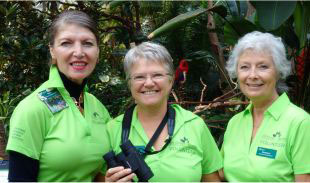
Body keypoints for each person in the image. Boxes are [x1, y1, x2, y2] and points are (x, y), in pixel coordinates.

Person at [6, 10, 111, 182]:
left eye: (87, 43)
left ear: (97, 51)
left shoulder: (98, 108)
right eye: (66, 43)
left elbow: (98, 174)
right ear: (52, 51)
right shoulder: (32, 109)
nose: (78, 52)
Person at [100, 42, 222, 182]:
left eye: (157, 75)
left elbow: (212, 179)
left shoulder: (194, 125)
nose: (149, 83)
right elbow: (100, 177)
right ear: (129, 84)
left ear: (170, 81)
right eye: (139, 77)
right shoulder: (114, 128)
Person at [221, 31, 310, 182]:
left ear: (278, 72)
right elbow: (220, 173)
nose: (253, 75)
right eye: (244, 67)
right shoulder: (235, 123)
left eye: (263, 66)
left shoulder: (301, 123)